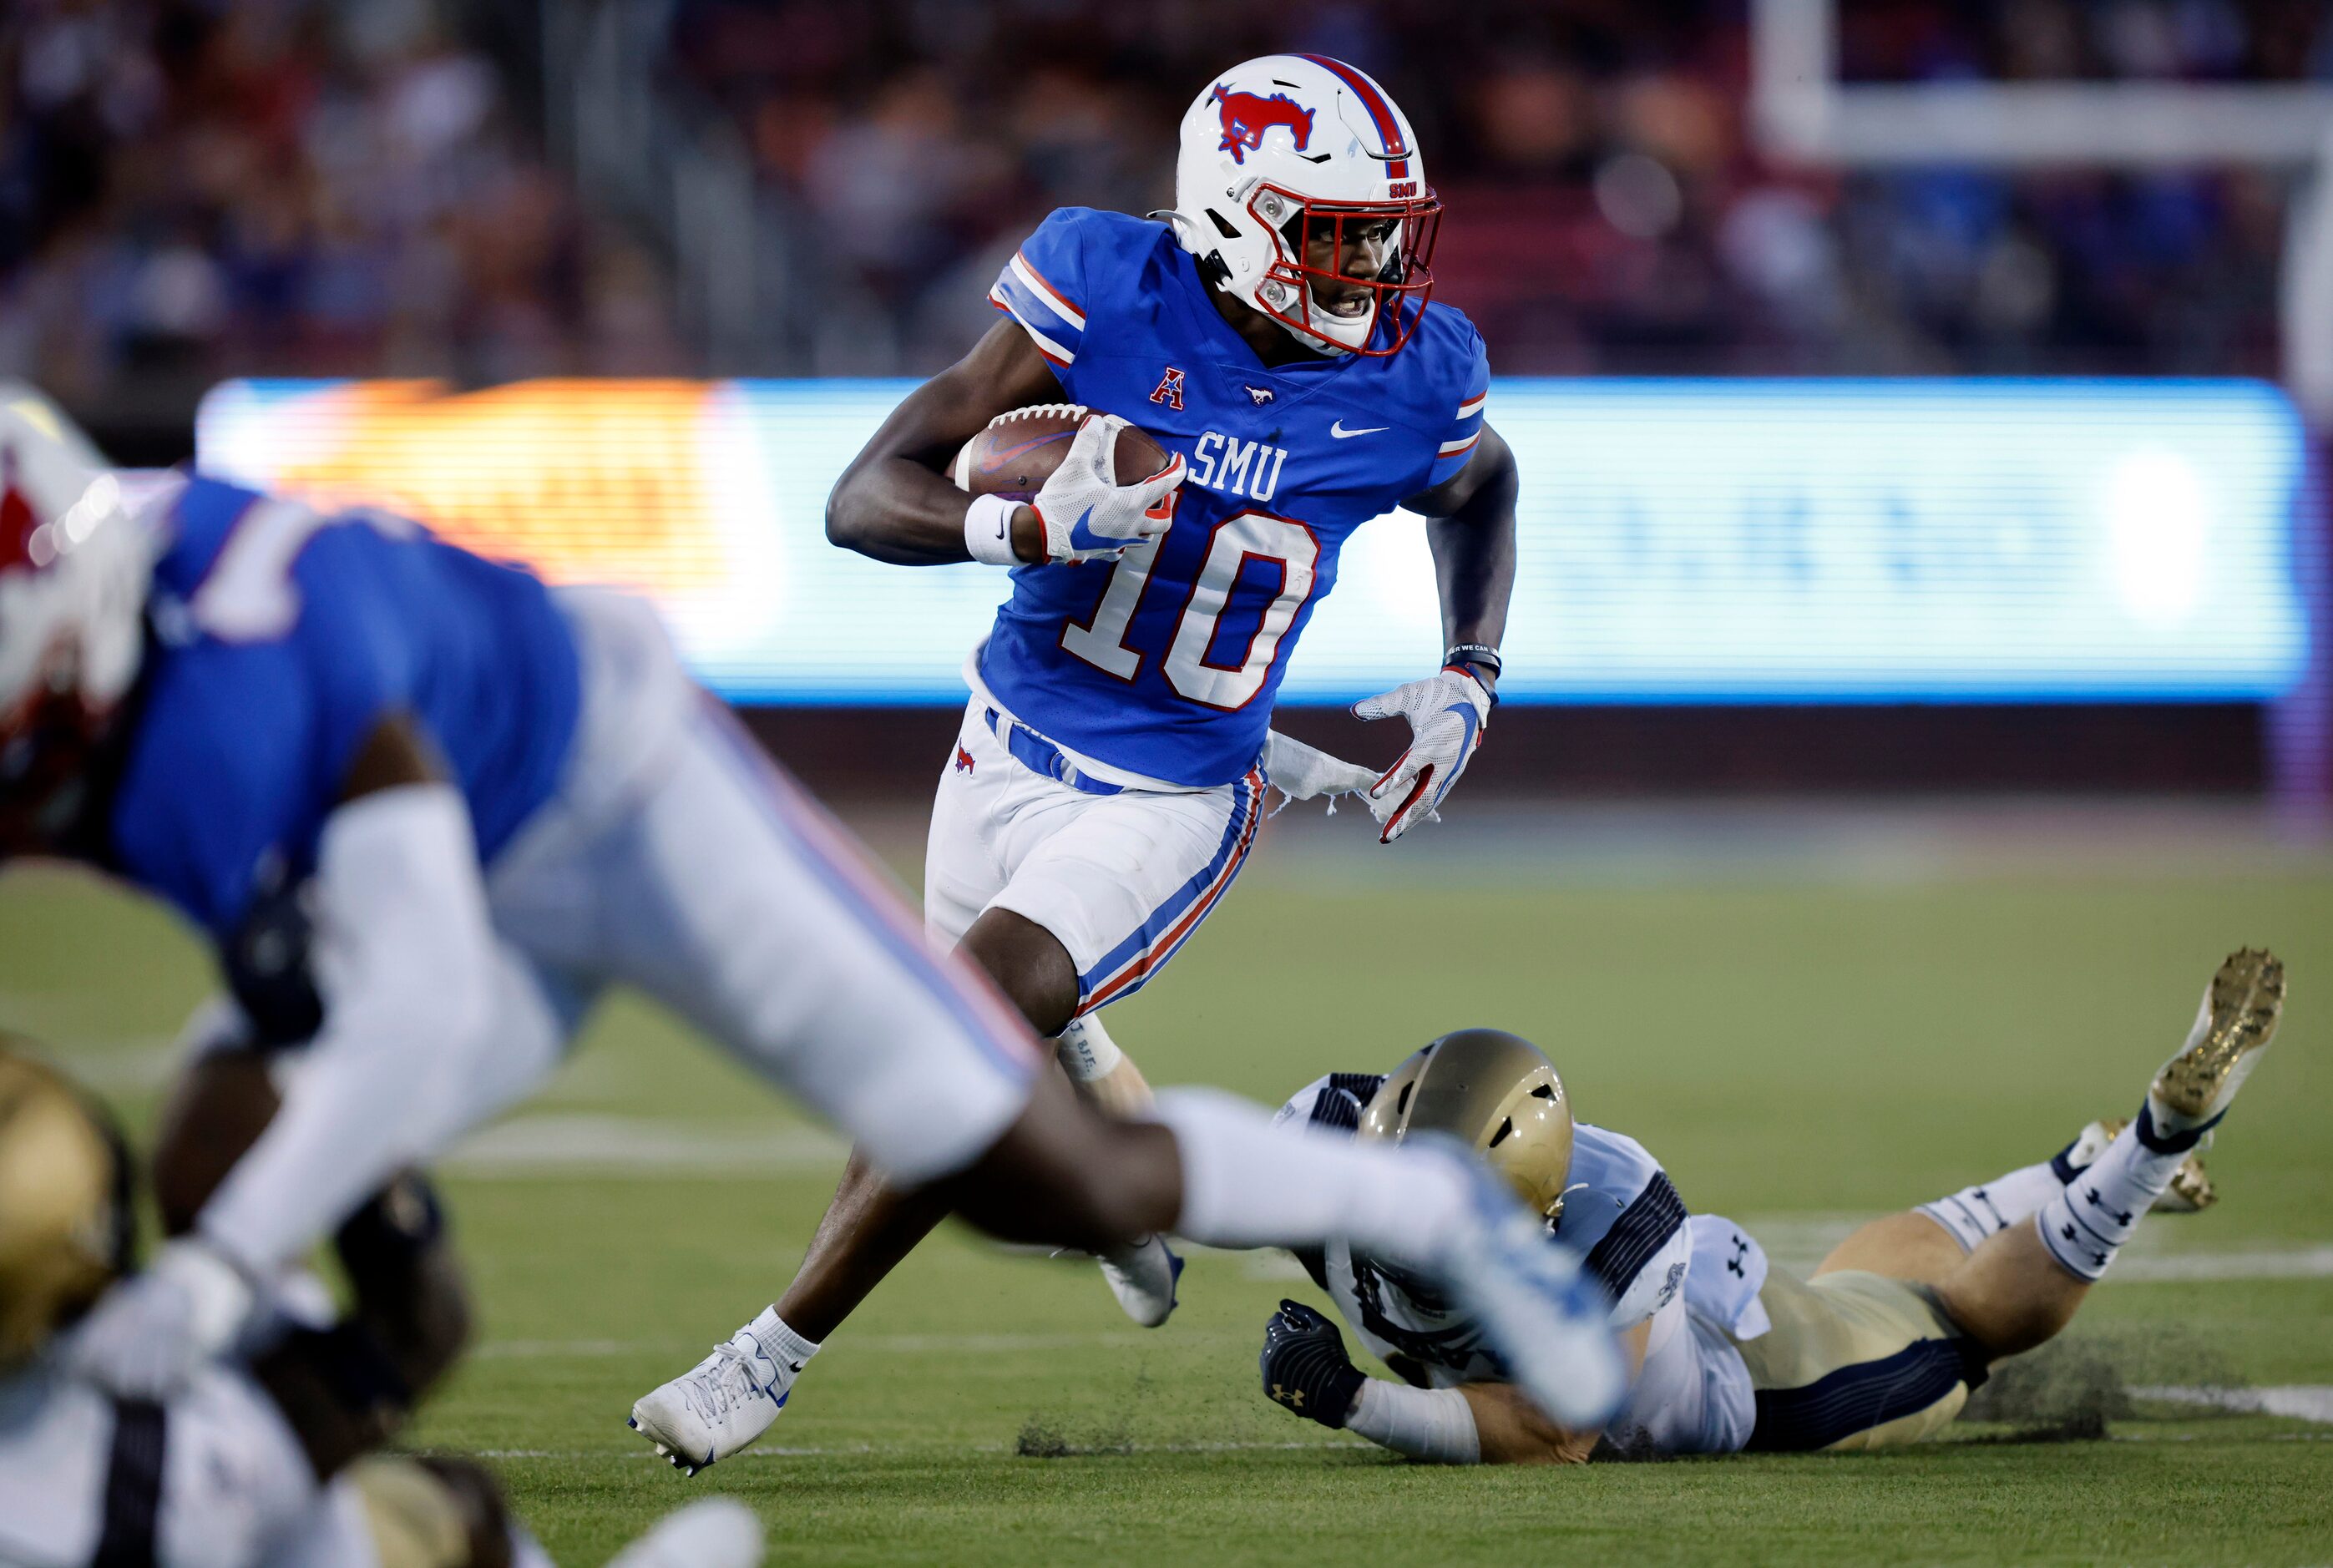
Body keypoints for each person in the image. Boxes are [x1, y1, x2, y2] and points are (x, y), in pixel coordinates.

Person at [0, 384, 1623, 1471]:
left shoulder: (250, 659)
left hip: (616, 802)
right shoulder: (79, 624)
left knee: (1021, 1167)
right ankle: (307, 1474)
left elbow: (419, 1001)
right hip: (889, 780)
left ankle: (1414, 1213)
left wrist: (211, 1279)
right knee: (224, 1141)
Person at [634, 50, 1521, 1466]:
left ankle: (764, 1356)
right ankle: (1118, 1178)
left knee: (950, 1033)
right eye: (1339, 235)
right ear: (1234, 216)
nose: (1371, 272)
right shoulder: (1104, 290)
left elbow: (1481, 484)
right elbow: (863, 495)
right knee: (998, 1050)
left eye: (1382, 237)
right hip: (998, 744)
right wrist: (1023, 529)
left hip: (1174, 792)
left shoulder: (1413, 383)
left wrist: (1468, 673)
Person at [1251, 948, 2278, 1462]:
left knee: (1955, 1328)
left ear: (1544, 1215)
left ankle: (2153, 1146)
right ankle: (2076, 1164)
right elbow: (1181, 1175)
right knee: (1886, 1270)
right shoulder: (1323, 1140)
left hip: (1747, 1381)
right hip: (1705, 1314)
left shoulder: (1619, 1216)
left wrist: (1354, 1402)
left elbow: (1548, 1434)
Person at [0, 1038, 762, 1566]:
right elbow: (417, 1332)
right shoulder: (143, 1473)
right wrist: (358, 1138)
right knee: (436, 1506)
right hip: (176, 1521)